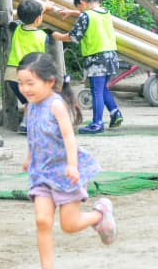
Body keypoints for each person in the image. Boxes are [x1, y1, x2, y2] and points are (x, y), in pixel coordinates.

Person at [18, 52, 117, 269]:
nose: (25, 89)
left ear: (50, 82)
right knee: (42, 221)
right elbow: (33, 136)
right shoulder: (30, 107)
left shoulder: (55, 105)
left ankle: (99, 214)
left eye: (30, 83)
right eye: (21, 83)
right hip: (41, 173)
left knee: (69, 225)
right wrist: (28, 158)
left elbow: (68, 137)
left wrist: (72, 165)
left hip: (64, 173)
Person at [52, 0, 124, 134]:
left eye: (78, 7)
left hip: (96, 57)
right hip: (110, 56)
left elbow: (74, 36)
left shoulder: (85, 16)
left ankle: (97, 124)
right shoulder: (105, 12)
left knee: (96, 91)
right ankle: (115, 113)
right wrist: (73, 12)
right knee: (103, 88)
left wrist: (59, 36)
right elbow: (89, 15)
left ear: (82, 2)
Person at [6, 0, 50, 133]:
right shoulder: (42, 36)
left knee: (29, 101)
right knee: (36, 99)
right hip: (28, 75)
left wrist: (44, 7)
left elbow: (29, 15)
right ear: (38, 19)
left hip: (11, 75)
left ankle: (26, 124)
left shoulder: (17, 30)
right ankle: (29, 125)